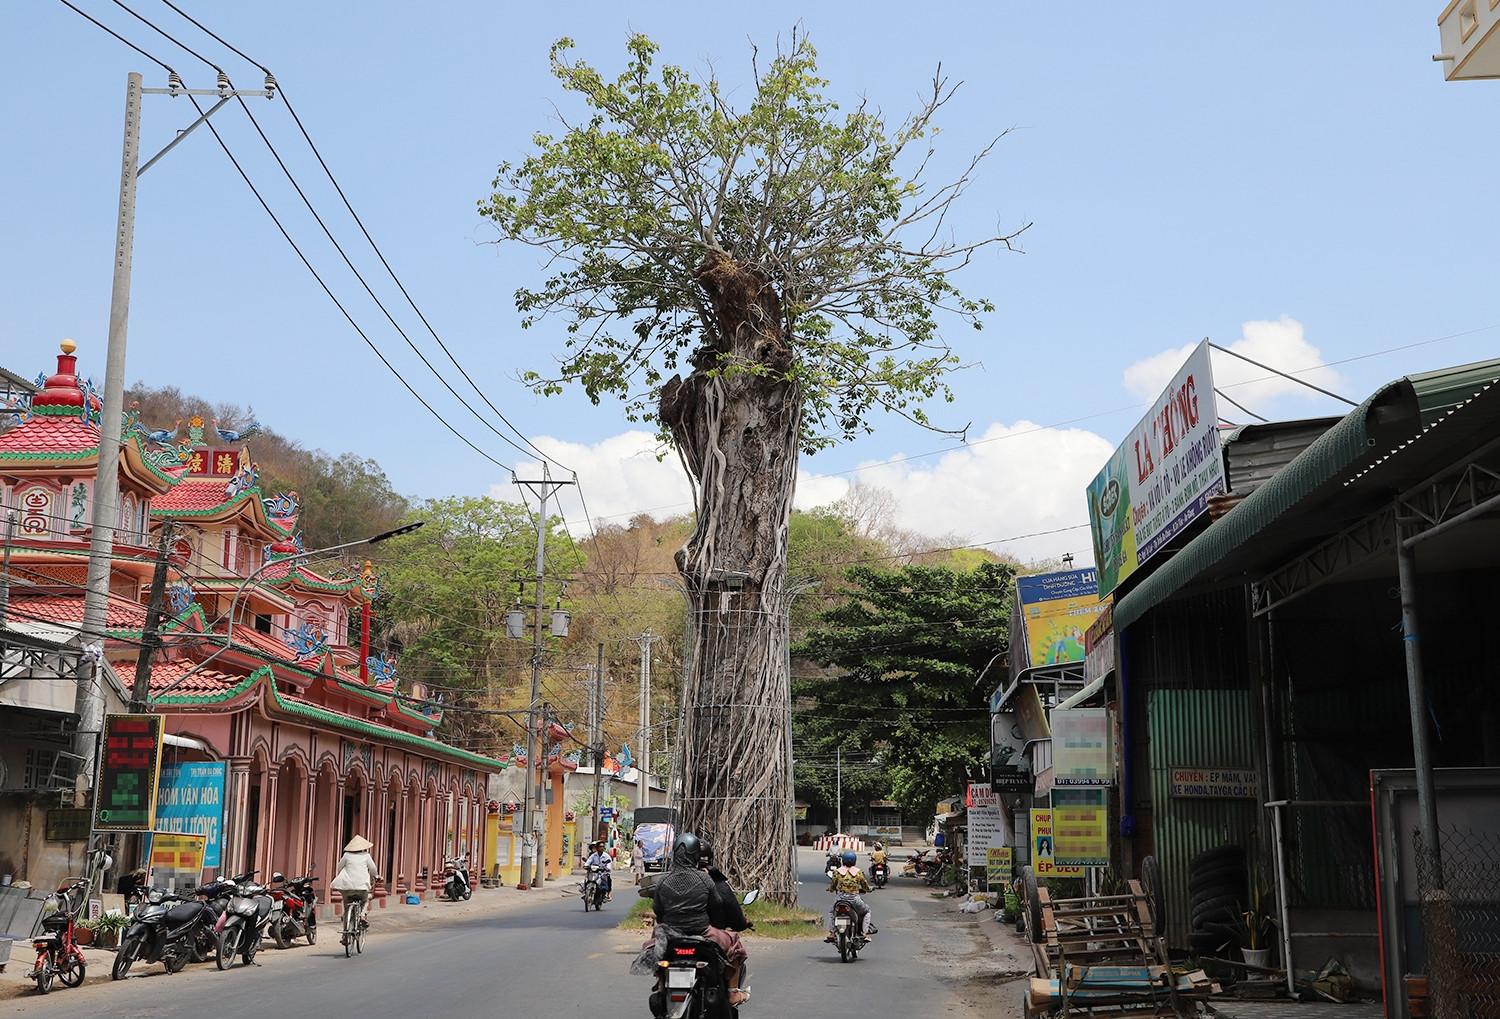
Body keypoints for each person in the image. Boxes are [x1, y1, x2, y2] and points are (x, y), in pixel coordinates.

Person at [631, 833, 749, 1008]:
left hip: (670, 934)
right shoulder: (704, 879)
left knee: (655, 947)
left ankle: (662, 985)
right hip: (701, 931)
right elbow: (716, 904)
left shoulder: (663, 881)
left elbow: (658, 909)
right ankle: (732, 993)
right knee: (734, 942)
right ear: (695, 855)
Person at [330, 835, 379, 930]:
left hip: (347, 887)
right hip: (361, 887)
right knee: (365, 900)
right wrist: (376, 876)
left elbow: (339, 867)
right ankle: (362, 915)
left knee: (346, 908)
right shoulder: (366, 856)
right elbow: (373, 868)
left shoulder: (346, 855)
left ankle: (345, 933)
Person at [826, 849, 875, 941]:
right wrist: (870, 889)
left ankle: (832, 933)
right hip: (854, 899)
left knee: (832, 912)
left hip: (840, 899)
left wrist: (831, 889)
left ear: (842, 861)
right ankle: (864, 933)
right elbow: (865, 886)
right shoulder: (859, 872)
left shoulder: (837, 872)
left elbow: (832, 886)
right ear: (855, 861)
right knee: (867, 911)